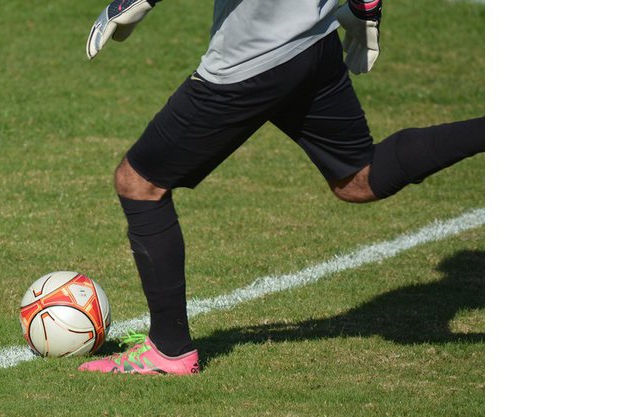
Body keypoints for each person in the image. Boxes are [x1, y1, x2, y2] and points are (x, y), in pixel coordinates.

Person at [76, 0, 485, 375]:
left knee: (139, 182)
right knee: (359, 178)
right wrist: (365, 7)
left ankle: (168, 349)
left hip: (254, 54)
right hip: (312, 39)